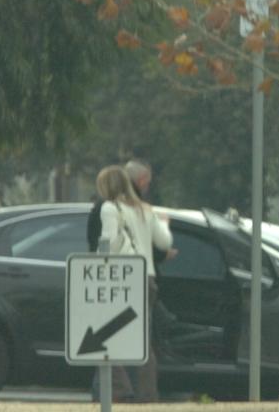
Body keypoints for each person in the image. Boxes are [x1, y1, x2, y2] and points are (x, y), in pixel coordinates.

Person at [94, 165, 174, 402]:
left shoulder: (109, 208)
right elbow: (164, 242)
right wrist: (165, 223)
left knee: (109, 335)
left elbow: (108, 242)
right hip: (147, 277)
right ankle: (147, 395)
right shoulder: (145, 210)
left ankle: (119, 390)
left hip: (122, 276)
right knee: (142, 342)